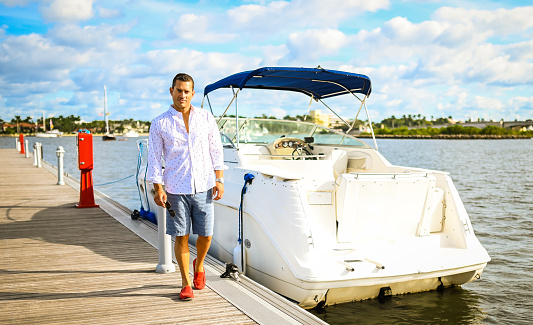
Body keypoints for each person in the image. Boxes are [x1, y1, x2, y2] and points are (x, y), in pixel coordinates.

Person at [147, 73, 226, 301]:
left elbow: (216, 150)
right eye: (179, 90)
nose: (183, 95)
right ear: (171, 91)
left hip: (204, 185)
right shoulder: (159, 123)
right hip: (175, 188)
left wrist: (219, 179)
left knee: (206, 235)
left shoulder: (206, 117)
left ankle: (199, 265)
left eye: (187, 91)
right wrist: (158, 188)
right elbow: (154, 159)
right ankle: (185, 282)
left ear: (193, 93)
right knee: (181, 236)